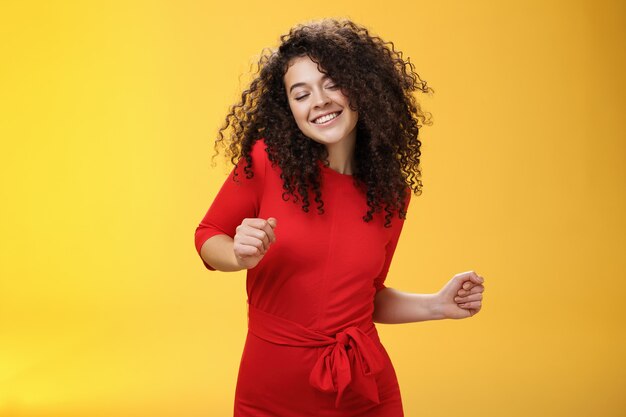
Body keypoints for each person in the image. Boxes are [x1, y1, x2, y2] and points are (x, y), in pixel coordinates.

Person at [194, 18, 485, 417]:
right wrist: (238, 255)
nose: (319, 100)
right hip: (272, 390)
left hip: (364, 389)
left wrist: (437, 305)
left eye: (332, 83)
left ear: (362, 88)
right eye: (301, 94)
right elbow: (209, 235)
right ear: (288, 108)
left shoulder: (390, 195)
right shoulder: (265, 161)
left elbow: (369, 298)